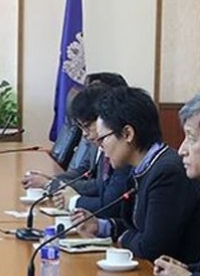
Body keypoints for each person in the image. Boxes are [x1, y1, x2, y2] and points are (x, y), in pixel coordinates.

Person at [72, 87, 200, 262]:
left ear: (127, 134)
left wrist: (124, 238)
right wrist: (101, 226)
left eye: (103, 139)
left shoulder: (167, 172)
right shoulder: (141, 167)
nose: (100, 147)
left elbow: (152, 248)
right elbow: (138, 226)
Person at [22, 72, 128, 191]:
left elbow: (100, 187)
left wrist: (52, 184)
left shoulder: (119, 145)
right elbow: (84, 169)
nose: (84, 134)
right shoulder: (98, 139)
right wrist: (52, 179)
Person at [47, 85, 132, 217]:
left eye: (87, 126)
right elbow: (98, 184)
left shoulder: (122, 153)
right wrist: (57, 184)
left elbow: (110, 206)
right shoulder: (103, 147)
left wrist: (73, 200)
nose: (84, 134)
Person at [152, 93, 200, 276]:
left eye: (191, 138)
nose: (181, 150)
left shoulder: (167, 172)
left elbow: (151, 245)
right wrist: (187, 270)